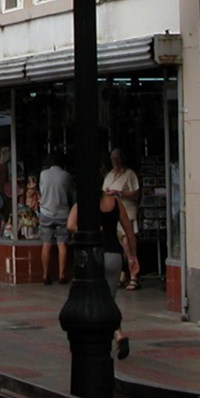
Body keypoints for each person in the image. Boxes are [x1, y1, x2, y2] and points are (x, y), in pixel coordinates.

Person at [69, 169, 139, 360]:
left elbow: (70, 224)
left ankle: (116, 334)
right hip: (115, 256)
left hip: (95, 256)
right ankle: (116, 333)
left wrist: (88, 229)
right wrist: (132, 257)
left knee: (99, 301)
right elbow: (129, 232)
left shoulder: (84, 204)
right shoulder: (115, 202)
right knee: (109, 299)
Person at [102, 148, 143, 290]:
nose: (116, 161)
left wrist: (119, 192)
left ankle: (134, 275)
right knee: (119, 245)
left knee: (128, 244)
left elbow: (136, 194)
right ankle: (122, 274)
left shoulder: (129, 174)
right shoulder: (109, 176)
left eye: (118, 158)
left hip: (128, 212)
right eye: (113, 159)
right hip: (114, 215)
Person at [38, 153, 74, 285]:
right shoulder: (66, 175)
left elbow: (41, 190)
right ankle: (62, 275)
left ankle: (45, 275)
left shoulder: (43, 174)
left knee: (46, 244)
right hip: (62, 213)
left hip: (46, 212)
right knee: (62, 244)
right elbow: (70, 192)